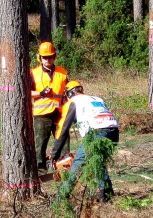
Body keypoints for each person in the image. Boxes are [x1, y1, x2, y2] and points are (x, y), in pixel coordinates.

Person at [49, 80, 119, 202]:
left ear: (69, 94)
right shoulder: (97, 99)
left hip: (96, 133)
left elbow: (63, 130)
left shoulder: (73, 101)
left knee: (77, 165)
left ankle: (60, 200)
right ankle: (106, 196)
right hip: (114, 131)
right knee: (98, 161)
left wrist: (54, 155)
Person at [30, 41, 69, 176]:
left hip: (59, 113)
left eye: (50, 56)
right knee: (40, 144)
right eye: (44, 57)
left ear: (54, 57)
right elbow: (25, 91)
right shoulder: (33, 73)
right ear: (39, 58)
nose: (47, 59)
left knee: (63, 141)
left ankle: (64, 168)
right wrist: (41, 93)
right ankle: (40, 172)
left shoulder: (62, 72)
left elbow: (69, 90)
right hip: (41, 115)